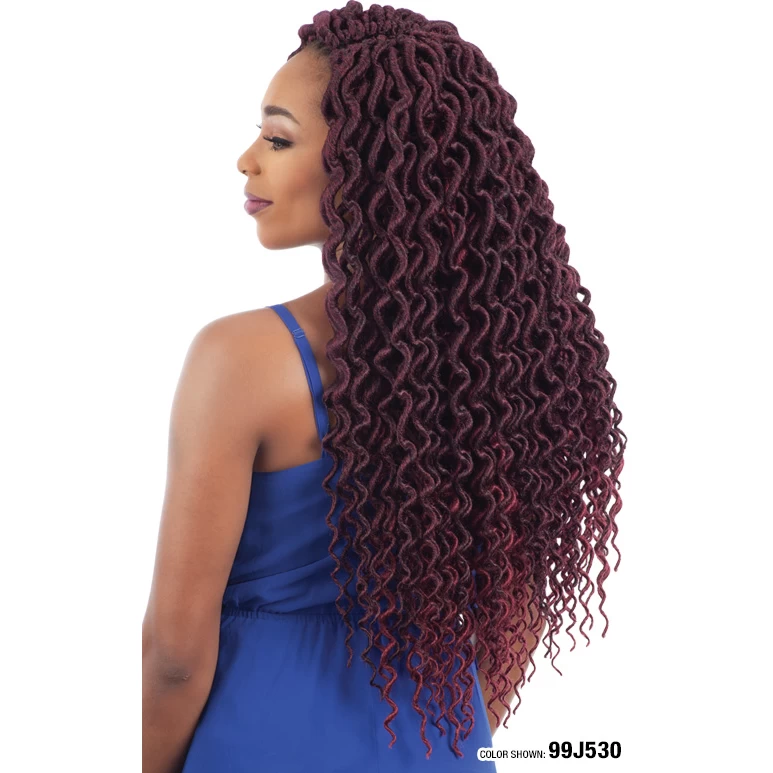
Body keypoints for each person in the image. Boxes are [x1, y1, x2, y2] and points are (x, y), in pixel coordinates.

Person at [142, 3, 627, 772]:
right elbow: (517, 612)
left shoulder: (241, 359)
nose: (246, 160)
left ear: (365, 163)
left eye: (278, 138)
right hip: (436, 740)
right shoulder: (505, 368)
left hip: (260, 739)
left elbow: (174, 653)